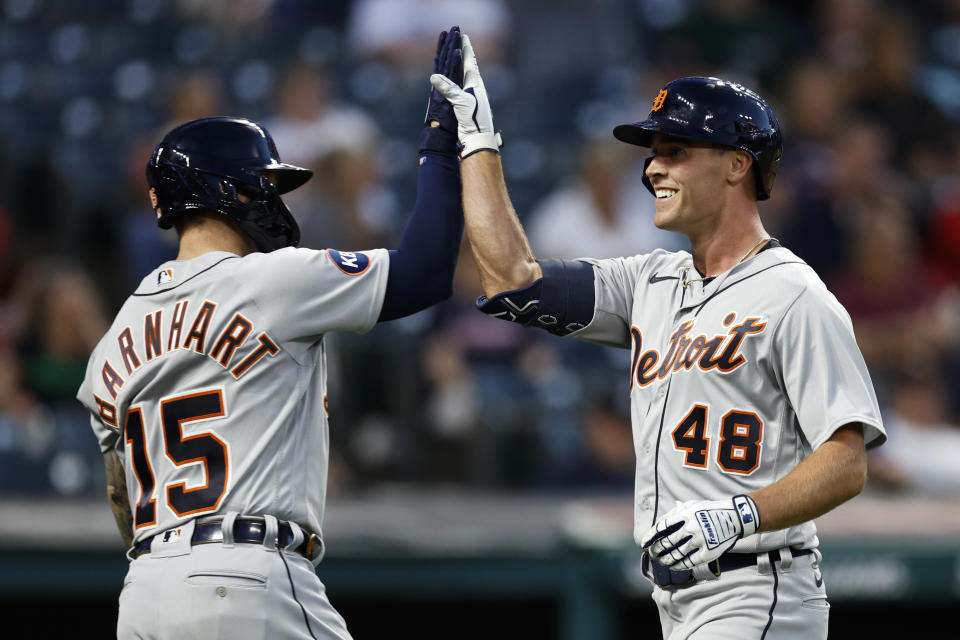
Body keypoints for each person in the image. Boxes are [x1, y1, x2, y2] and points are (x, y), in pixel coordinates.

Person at [430, 36, 886, 639]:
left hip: (759, 587)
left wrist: (738, 515)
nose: (651, 167)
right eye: (653, 154)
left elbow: (847, 461)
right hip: (679, 599)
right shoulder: (651, 279)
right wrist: (481, 149)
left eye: (674, 150)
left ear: (736, 164)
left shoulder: (794, 294)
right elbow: (512, 281)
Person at [75, 27, 465, 639]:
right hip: (247, 576)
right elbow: (426, 272)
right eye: (267, 183)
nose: (276, 199)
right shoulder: (272, 280)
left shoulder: (114, 336)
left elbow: (121, 497)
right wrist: (444, 151)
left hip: (145, 592)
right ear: (229, 190)